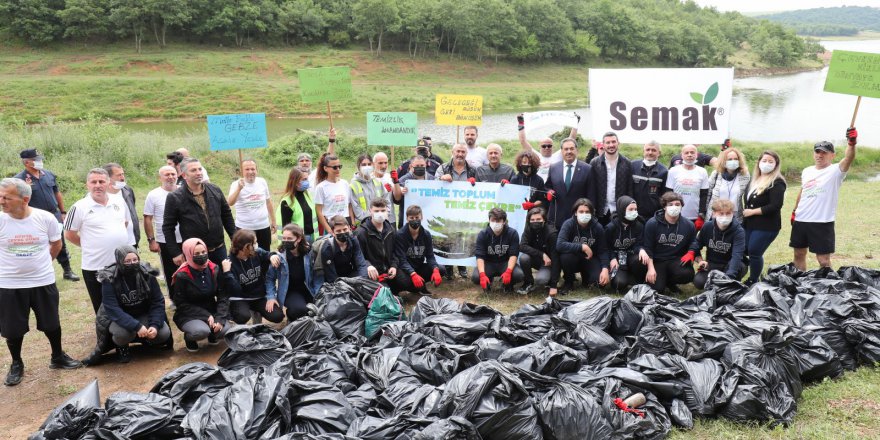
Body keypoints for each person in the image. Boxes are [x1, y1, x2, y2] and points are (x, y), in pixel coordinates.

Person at [0, 178, 81, 386]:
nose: (1, 201)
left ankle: (57, 356)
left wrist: (42, 264)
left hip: (42, 280)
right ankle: (17, 363)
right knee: (13, 329)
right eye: (0, 197)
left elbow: (56, 243)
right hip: (10, 285)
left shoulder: (45, 218)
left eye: (6, 197)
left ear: (24, 199)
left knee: (51, 322)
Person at [790, 127, 858, 271]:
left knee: (823, 260)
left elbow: (849, 158)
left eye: (824, 153)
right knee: (799, 254)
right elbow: (803, 191)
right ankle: (800, 284)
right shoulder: (807, 171)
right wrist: (795, 211)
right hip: (801, 219)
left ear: (832, 155)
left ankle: (829, 288)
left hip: (822, 222)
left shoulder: (835, 171)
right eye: (817, 151)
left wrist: (851, 143)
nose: (820, 155)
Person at [64, 168, 132, 313]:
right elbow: (69, 234)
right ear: (87, 185)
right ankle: (106, 335)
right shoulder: (79, 207)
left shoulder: (119, 201)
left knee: (127, 301)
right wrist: (91, 245)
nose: (97, 185)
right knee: (103, 308)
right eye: (93, 182)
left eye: (101, 181)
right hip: (96, 266)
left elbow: (124, 223)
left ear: (108, 183)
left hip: (122, 264)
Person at [95, 245, 171, 363]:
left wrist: (154, 325)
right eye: (127, 261)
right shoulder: (109, 278)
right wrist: (137, 326)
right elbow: (112, 309)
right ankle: (122, 347)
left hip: (142, 313)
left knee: (163, 333)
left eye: (135, 260)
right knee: (122, 335)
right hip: (119, 317)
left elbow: (157, 301)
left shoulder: (147, 274)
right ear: (119, 261)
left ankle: (146, 340)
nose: (132, 263)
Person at [15, 149, 79, 281]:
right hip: (34, 219)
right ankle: (37, 272)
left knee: (59, 242)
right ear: (27, 162)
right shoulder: (19, 180)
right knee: (37, 244)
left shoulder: (48, 174)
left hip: (54, 215)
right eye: (36, 159)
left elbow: (57, 193)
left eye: (40, 159)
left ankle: (67, 271)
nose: (40, 161)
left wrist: (62, 212)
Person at [164, 158, 236, 267]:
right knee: (201, 283)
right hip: (195, 253)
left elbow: (227, 215)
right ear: (184, 175)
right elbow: (168, 227)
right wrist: (175, 252)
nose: (198, 173)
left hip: (219, 248)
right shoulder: (175, 197)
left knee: (223, 279)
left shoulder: (215, 189)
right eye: (193, 170)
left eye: (199, 169)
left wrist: (235, 239)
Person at [171, 238, 230, 352]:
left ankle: (213, 334)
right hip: (189, 314)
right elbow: (181, 304)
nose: (201, 255)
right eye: (196, 253)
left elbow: (223, 296)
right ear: (188, 254)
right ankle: (189, 338)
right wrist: (205, 315)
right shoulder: (182, 275)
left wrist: (220, 318)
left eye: (204, 252)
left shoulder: (214, 269)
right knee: (201, 332)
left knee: (225, 330)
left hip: (211, 310)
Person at [221, 229, 284, 325]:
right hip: (241, 298)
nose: (256, 245)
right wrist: (227, 273)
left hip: (259, 296)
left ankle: (257, 311)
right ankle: (234, 323)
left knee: (277, 316)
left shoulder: (256, 252)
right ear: (246, 247)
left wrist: (272, 256)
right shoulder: (229, 263)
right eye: (254, 243)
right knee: (242, 316)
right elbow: (235, 290)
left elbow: (267, 254)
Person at [741, 151, 786, 284]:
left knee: (755, 251)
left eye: (770, 161)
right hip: (749, 223)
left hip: (767, 225)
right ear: (759, 162)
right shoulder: (754, 179)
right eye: (764, 160)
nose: (766, 164)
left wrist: (753, 211)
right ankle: (738, 272)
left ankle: (753, 280)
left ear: (776, 165)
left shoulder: (777, 182)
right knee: (743, 249)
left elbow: (775, 205)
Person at [436, 144, 477, 281]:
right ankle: (448, 269)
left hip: (466, 208)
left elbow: (481, 186)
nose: (460, 154)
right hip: (446, 208)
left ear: (466, 154)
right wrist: (441, 179)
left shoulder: (473, 170)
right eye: (458, 151)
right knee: (448, 237)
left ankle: (462, 267)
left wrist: (475, 183)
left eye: (463, 152)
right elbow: (432, 185)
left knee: (462, 237)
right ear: (452, 152)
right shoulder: (442, 168)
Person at [643, 192, 697, 294]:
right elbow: (648, 247)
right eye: (670, 204)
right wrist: (650, 268)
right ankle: (661, 280)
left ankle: (670, 282)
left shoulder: (689, 225)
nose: (674, 207)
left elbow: (693, 243)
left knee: (688, 274)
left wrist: (691, 252)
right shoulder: (652, 223)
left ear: (681, 206)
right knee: (657, 289)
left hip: (675, 260)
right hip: (657, 260)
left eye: (677, 204)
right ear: (664, 207)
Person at [690, 199, 747, 289]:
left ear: (732, 213)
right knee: (699, 282)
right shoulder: (707, 226)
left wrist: (728, 278)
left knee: (735, 272)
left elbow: (737, 255)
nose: (725, 216)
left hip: (731, 263)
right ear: (714, 214)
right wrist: (700, 260)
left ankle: (731, 283)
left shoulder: (739, 231)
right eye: (721, 213)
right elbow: (697, 244)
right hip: (712, 263)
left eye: (728, 213)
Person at [556, 198, 610, 294]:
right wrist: (582, 247)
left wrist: (605, 268)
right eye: (581, 211)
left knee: (600, 284)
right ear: (575, 212)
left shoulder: (598, 227)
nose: (584, 214)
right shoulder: (568, 224)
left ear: (592, 213)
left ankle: (586, 278)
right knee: (565, 257)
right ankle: (569, 281)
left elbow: (603, 250)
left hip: (590, 259)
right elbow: (559, 245)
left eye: (587, 212)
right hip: (573, 258)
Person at [143, 166, 182, 294]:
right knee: (170, 270)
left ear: (178, 175)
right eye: (167, 174)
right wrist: (151, 240)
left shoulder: (184, 191)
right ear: (160, 178)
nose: (170, 177)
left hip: (186, 237)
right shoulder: (153, 195)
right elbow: (147, 218)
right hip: (165, 240)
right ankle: (174, 298)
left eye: (173, 174)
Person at [265, 224, 316, 322]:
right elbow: (270, 279)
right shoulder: (279, 257)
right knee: (300, 310)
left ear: (299, 239)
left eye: (289, 238)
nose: (286, 241)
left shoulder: (309, 253)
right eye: (284, 238)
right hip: (290, 291)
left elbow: (318, 275)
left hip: (308, 288)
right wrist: (271, 297)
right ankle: (291, 316)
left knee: (318, 310)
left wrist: (318, 291)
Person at [544, 138, 595, 229]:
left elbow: (591, 194)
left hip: (579, 218)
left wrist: (589, 214)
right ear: (562, 151)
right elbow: (547, 186)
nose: (569, 151)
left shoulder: (587, 169)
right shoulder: (553, 167)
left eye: (571, 149)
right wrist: (549, 191)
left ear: (577, 150)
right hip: (557, 217)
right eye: (566, 149)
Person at [394, 205, 445, 295]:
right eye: (411, 218)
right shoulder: (400, 235)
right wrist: (412, 274)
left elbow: (430, 256)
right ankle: (399, 289)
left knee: (441, 269)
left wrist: (435, 269)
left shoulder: (426, 235)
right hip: (404, 269)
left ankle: (420, 285)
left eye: (417, 217)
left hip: (419, 266)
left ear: (421, 217)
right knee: (404, 282)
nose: (414, 220)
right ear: (407, 218)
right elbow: (401, 259)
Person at [227, 159, 276, 251]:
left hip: (263, 226)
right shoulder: (235, 184)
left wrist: (273, 220)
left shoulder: (262, 182)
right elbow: (230, 202)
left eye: (253, 169)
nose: (250, 172)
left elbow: (268, 202)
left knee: (265, 254)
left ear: (256, 170)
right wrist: (239, 188)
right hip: (244, 228)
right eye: (247, 169)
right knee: (246, 254)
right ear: (241, 171)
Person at [472, 208, 523, 293]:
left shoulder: (512, 233)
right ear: (489, 220)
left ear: (504, 221)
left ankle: (507, 285)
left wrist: (509, 271)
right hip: (489, 263)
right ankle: (488, 283)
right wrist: (482, 274)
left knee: (518, 275)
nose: (495, 223)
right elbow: (480, 256)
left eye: (499, 220)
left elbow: (513, 254)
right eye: (493, 220)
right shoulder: (483, 234)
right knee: (476, 277)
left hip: (505, 262)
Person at [516, 113, 580, 181]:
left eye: (549, 146)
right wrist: (521, 123)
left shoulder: (559, 155)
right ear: (539, 147)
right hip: (539, 186)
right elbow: (523, 141)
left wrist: (575, 123)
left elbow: (571, 139)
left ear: (553, 147)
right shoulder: (535, 156)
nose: (546, 148)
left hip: (554, 187)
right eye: (544, 146)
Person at [313, 215, 370, 291]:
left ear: (349, 228)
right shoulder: (327, 248)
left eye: (345, 229)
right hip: (333, 279)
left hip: (349, 273)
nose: (343, 233)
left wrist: (363, 281)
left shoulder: (353, 240)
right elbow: (332, 277)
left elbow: (360, 263)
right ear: (333, 233)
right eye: (338, 231)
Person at [354, 198, 400, 290]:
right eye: (376, 211)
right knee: (382, 292)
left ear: (387, 210)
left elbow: (396, 251)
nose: (380, 213)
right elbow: (358, 255)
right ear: (370, 211)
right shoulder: (361, 232)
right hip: (373, 273)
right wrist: (368, 266)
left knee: (406, 282)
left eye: (383, 210)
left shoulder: (391, 229)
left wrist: (394, 266)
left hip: (389, 270)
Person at [589, 132, 633, 226]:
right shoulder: (594, 163)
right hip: (600, 211)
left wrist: (628, 209)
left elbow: (630, 189)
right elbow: (591, 188)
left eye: (613, 142)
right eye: (608, 143)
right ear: (603, 145)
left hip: (619, 211)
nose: (611, 145)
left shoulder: (627, 163)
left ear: (618, 143)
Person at [605, 196, 648, 292]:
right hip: (617, 259)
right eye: (631, 209)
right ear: (622, 209)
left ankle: (637, 280)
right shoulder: (611, 227)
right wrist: (612, 258)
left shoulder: (639, 225)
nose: (634, 212)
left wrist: (641, 250)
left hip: (631, 256)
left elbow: (639, 243)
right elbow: (606, 247)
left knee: (641, 259)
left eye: (635, 209)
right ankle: (624, 278)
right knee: (619, 284)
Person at [517, 207, 560, 296]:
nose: (535, 222)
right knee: (524, 258)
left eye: (538, 219)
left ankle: (550, 280)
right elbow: (522, 246)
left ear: (544, 220)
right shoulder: (528, 228)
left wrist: (554, 285)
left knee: (541, 280)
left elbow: (556, 258)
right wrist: (542, 254)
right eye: (532, 220)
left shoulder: (551, 233)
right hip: (536, 259)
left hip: (548, 263)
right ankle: (528, 282)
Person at [665, 144, 709, 228]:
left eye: (692, 152)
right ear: (682, 155)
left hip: (694, 215)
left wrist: (701, 214)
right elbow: (668, 193)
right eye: (686, 153)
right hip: (676, 213)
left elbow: (704, 195)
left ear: (697, 155)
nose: (689, 155)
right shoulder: (673, 171)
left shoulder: (702, 171)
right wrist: (668, 210)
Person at [706, 147, 750, 222]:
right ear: (724, 161)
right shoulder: (716, 174)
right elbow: (708, 193)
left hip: (735, 217)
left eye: (736, 159)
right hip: (716, 215)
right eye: (730, 159)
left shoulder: (745, 175)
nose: (733, 161)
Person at [276, 167, 318, 243]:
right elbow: (285, 227)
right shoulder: (287, 201)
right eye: (304, 179)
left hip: (313, 236)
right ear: (295, 181)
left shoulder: (308, 195)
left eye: (307, 179)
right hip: (298, 240)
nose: (307, 182)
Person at [631, 141, 669, 223]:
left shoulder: (664, 171)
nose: (650, 152)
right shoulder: (632, 166)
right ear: (643, 151)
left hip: (654, 217)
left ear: (659, 153)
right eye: (647, 149)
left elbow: (664, 195)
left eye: (653, 150)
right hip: (633, 213)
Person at [314, 153, 353, 233]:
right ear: (325, 168)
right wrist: (329, 229)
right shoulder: (321, 187)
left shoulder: (345, 183)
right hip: (331, 225)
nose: (338, 169)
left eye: (339, 166)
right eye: (334, 167)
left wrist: (351, 223)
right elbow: (319, 211)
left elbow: (349, 205)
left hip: (345, 225)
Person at [393, 155, 435, 228]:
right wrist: (400, 191)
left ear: (425, 165)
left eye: (422, 165)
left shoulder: (433, 180)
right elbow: (397, 199)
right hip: (407, 222)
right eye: (417, 165)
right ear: (411, 166)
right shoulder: (403, 181)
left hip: (428, 220)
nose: (420, 167)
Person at [104, 163, 140, 248]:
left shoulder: (127, 190)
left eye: (123, 174)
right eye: (119, 175)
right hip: (112, 244)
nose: (122, 178)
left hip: (131, 241)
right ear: (108, 178)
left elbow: (132, 213)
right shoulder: (100, 196)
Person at [350, 154, 392, 226]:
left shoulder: (377, 182)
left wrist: (384, 215)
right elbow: (356, 208)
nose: (367, 167)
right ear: (358, 166)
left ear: (372, 165)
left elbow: (386, 201)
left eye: (369, 164)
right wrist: (372, 218)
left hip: (381, 222)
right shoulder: (353, 185)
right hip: (364, 225)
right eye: (363, 164)